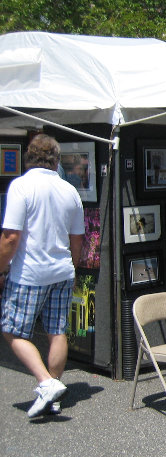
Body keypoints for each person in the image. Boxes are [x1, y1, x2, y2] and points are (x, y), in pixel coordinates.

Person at [0, 134, 84, 418]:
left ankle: (47, 383)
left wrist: (1, 268)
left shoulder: (21, 186)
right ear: (56, 160)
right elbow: (77, 240)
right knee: (56, 331)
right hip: (61, 270)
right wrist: (72, 267)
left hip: (30, 272)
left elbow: (11, 237)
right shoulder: (69, 190)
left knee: (11, 329)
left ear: (28, 157)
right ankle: (54, 394)